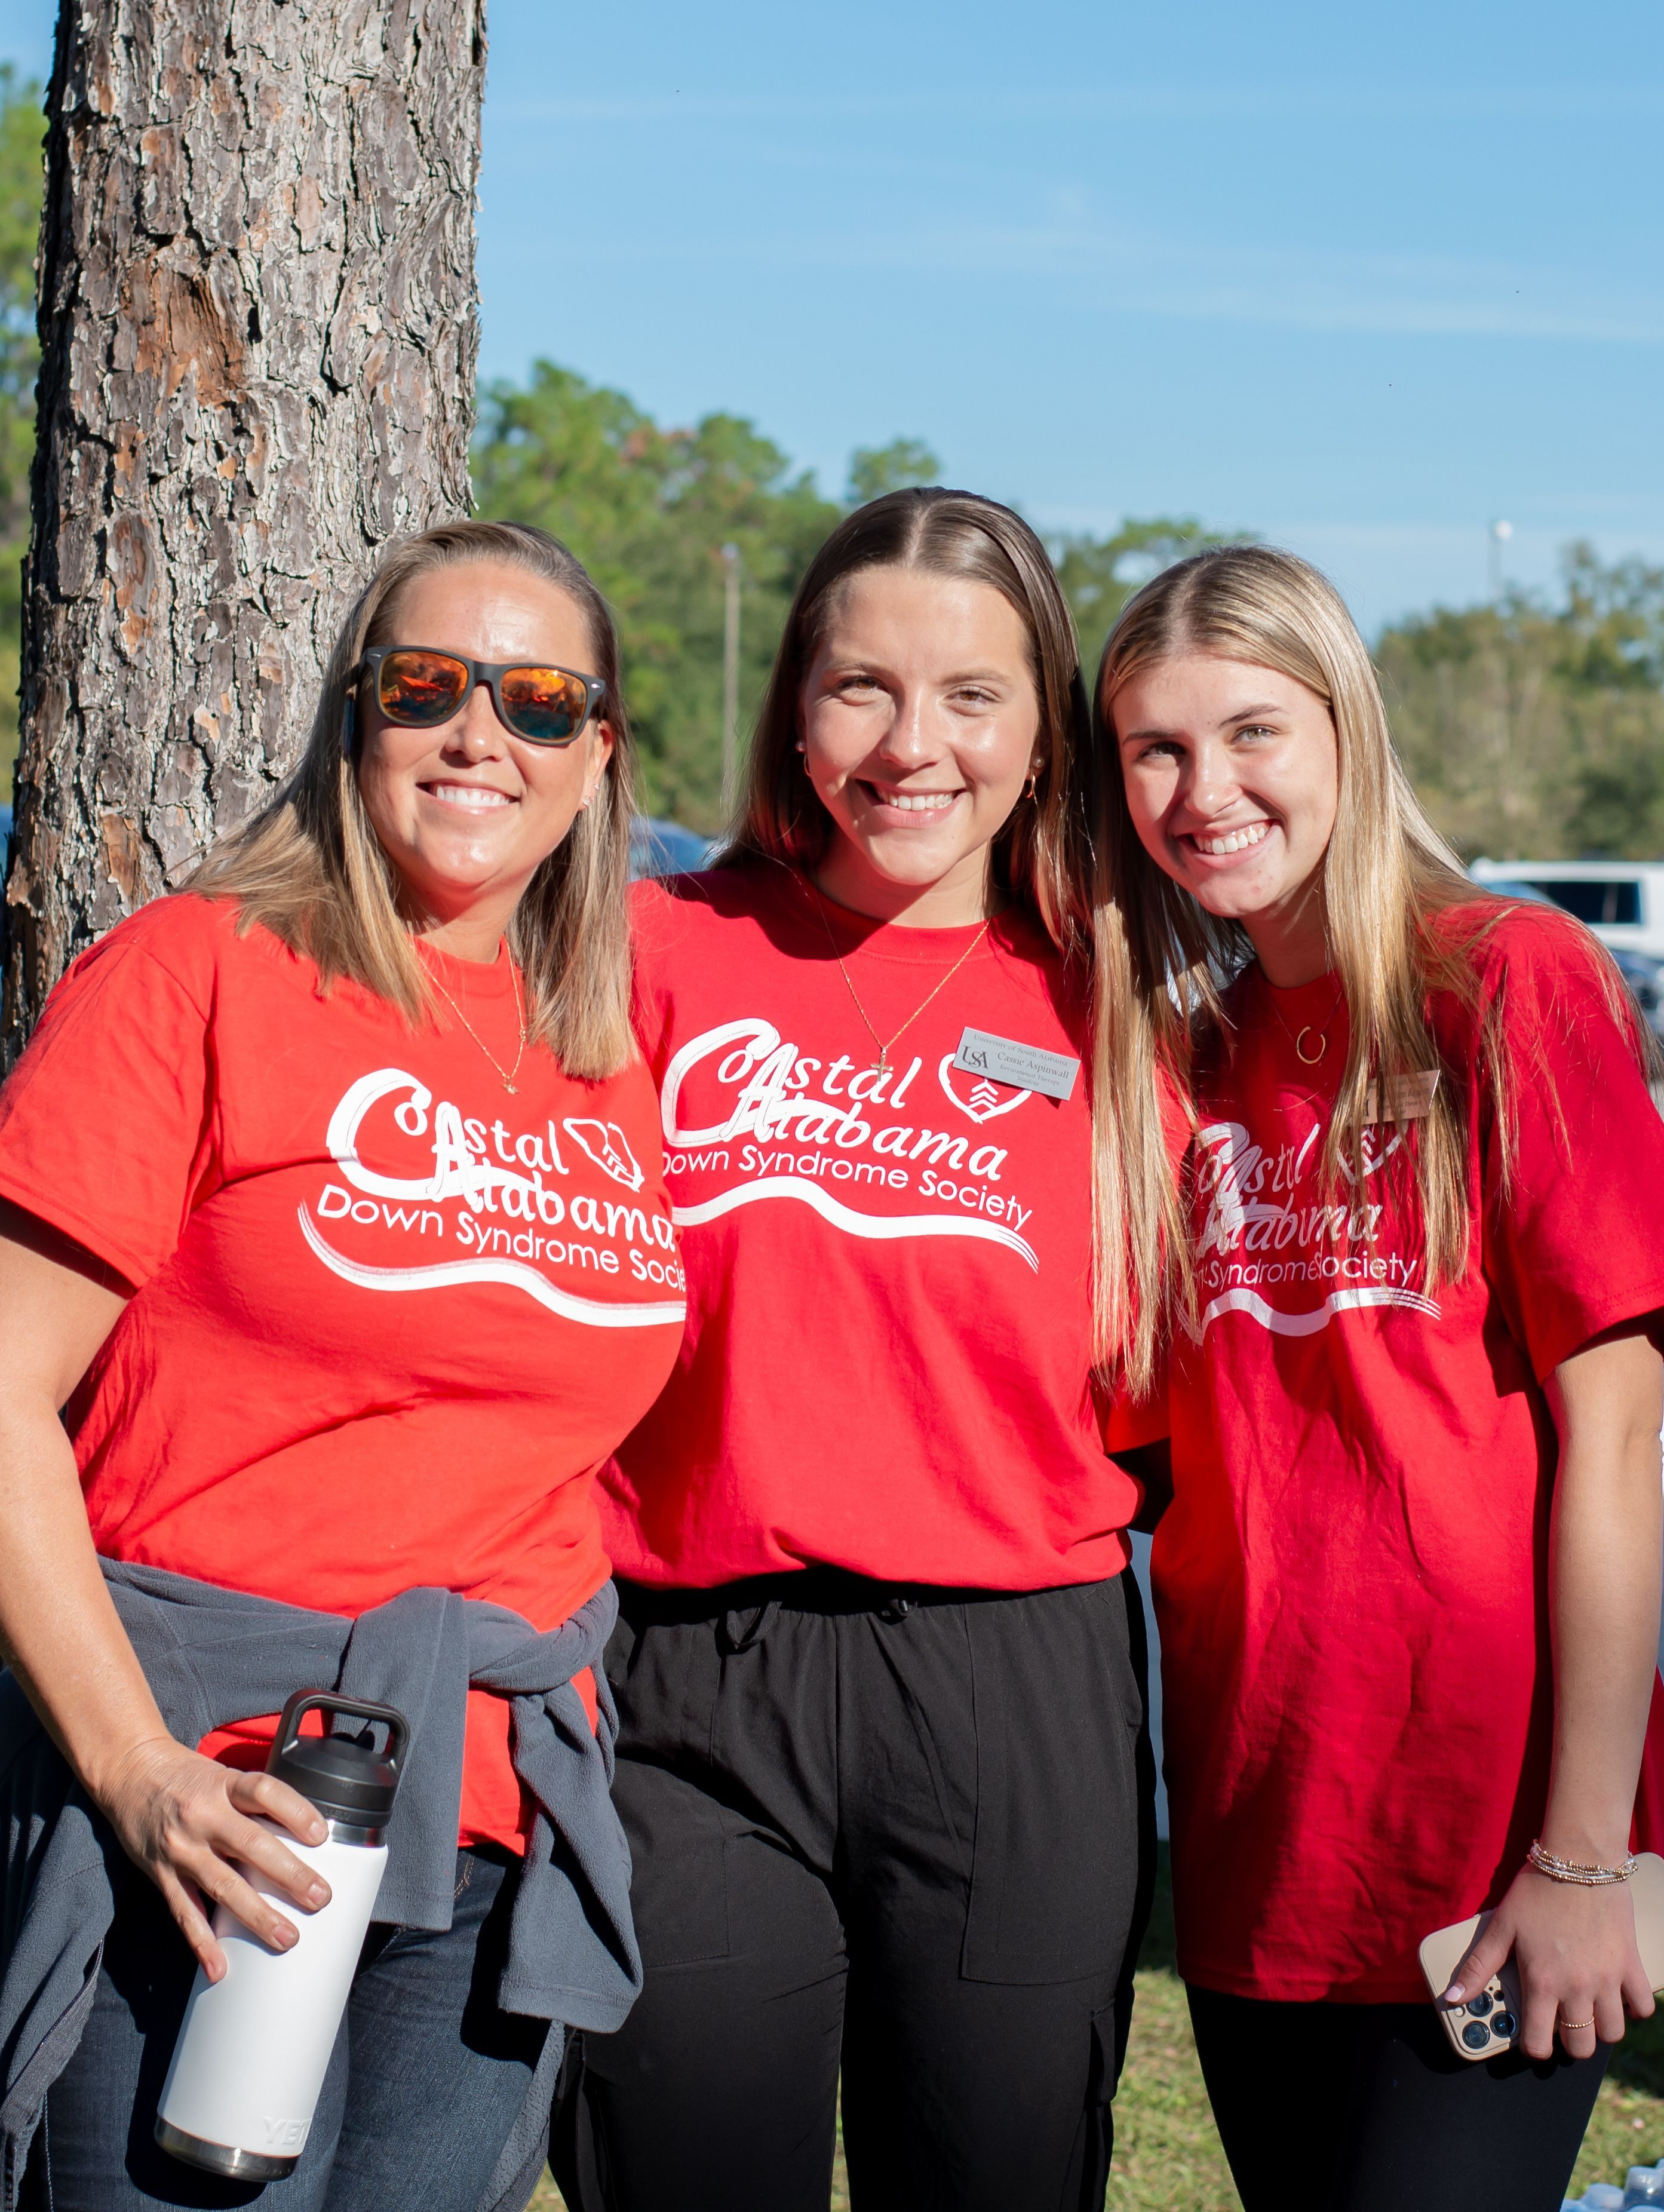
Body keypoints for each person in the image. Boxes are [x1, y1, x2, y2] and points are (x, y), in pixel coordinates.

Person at [0, 520, 680, 2212]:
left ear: (597, 754)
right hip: (212, 1815)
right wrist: (135, 1775)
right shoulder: (200, 973)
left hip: (480, 1819)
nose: (480, 736)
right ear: (352, 720)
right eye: (425, 689)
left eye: (538, 701)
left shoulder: (601, 1056)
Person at [1086, 545, 1664, 2212]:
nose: (1201, 790)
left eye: (1248, 734)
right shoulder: (1180, 1059)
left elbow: (1615, 1435)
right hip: (1260, 1826)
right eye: (1151, 751)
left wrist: (1582, 1852)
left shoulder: (1498, 981)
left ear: (1345, 730)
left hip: (1497, 1833)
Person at [554, 489, 1154, 2212]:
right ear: (789, 710)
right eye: (858, 689)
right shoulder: (655, 953)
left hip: (1009, 1686)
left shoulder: (1115, 999)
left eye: (970, 694)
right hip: (687, 1681)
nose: (911, 746)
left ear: (1044, 731)